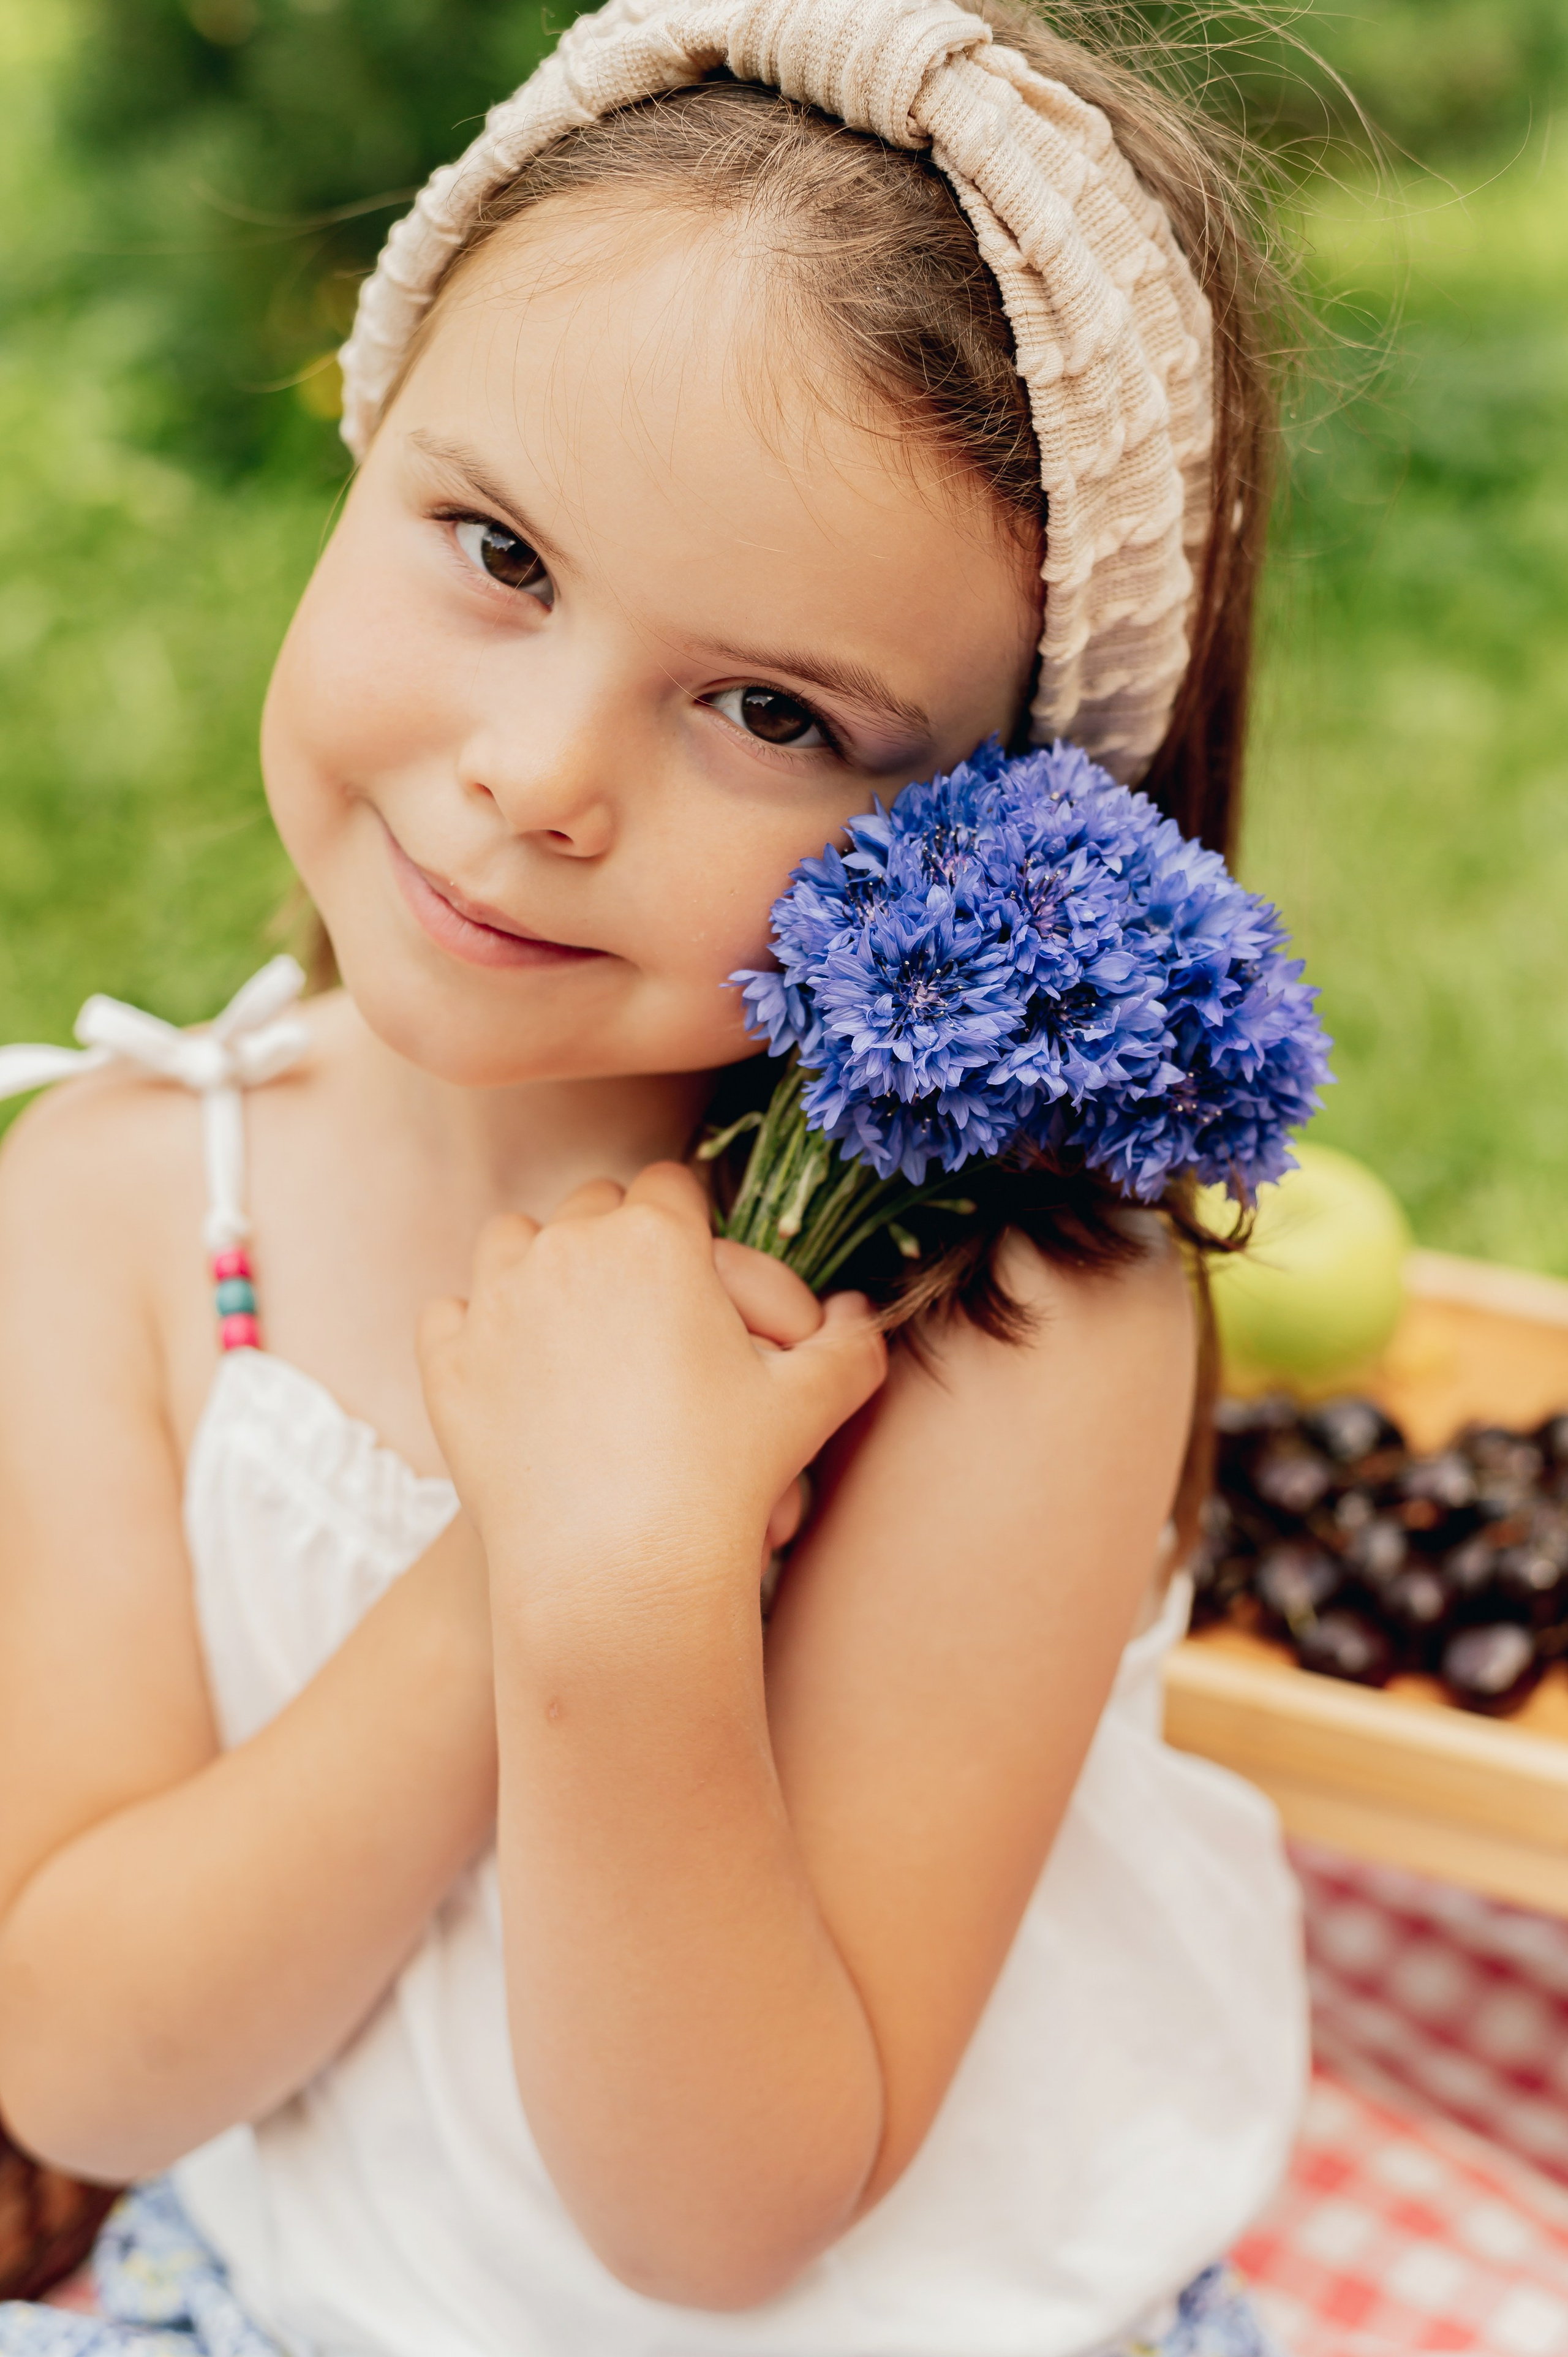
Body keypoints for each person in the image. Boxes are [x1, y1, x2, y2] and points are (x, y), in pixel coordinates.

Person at [0, 2, 1309, 2350]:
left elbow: (720, 2225)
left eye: (774, 714)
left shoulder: (1003, 1331)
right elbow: (78, 2060)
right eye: (497, 549)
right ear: (366, 436)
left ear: (992, 823)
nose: (535, 776)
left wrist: (637, 1602)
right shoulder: (122, 1209)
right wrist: (527, 1538)